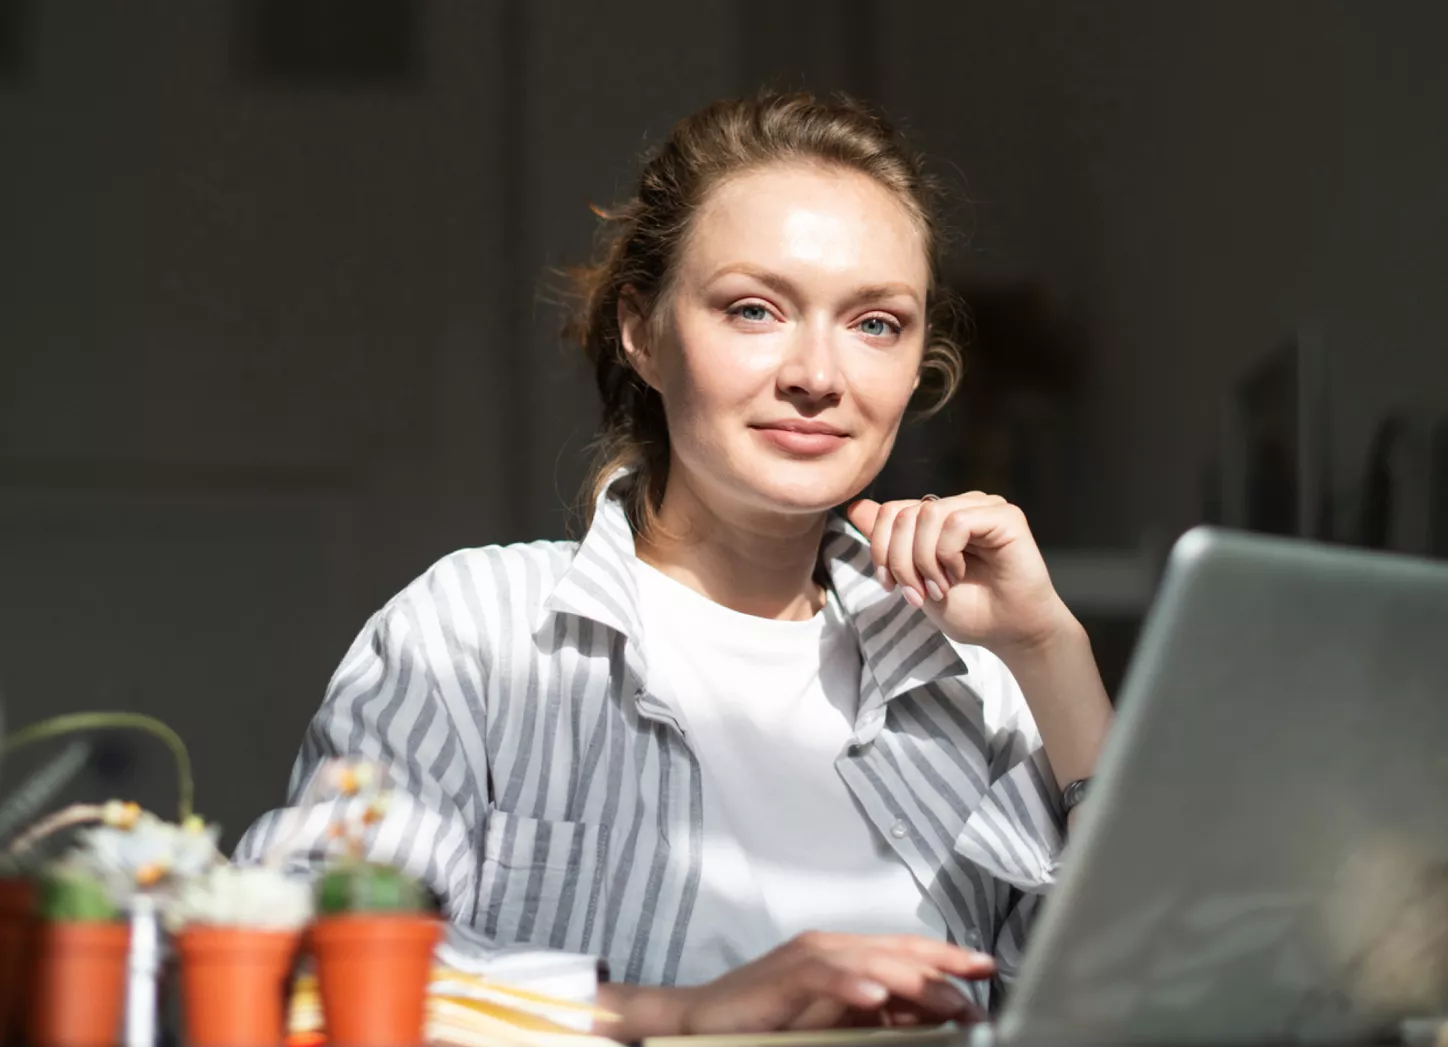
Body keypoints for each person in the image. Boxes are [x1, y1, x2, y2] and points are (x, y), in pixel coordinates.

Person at [235, 91, 1113, 1039]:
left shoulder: (978, 682)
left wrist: (1049, 647)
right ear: (642, 333)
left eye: (875, 323)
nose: (818, 374)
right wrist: (677, 1013)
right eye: (754, 308)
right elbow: (303, 963)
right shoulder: (475, 630)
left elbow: (1163, 993)